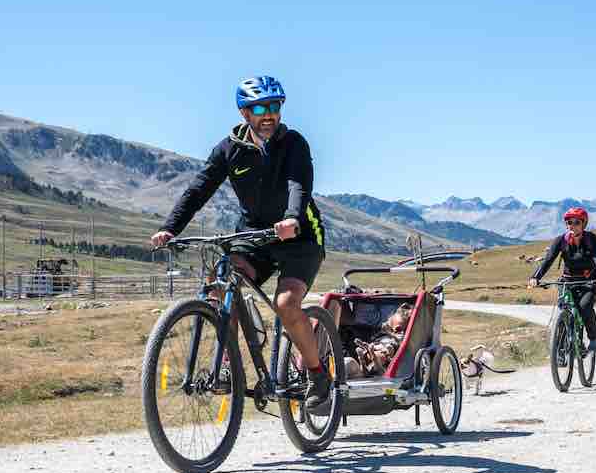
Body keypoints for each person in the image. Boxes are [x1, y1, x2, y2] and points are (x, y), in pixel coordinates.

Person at [150, 76, 331, 408]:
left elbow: (298, 183)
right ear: (244, 112)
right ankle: (228, 363)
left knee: (286, 304)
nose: (268, 115)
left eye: (274, 107)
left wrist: (292, 217)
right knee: (220, 282)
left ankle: (319, 375)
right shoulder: (229, 149)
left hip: (299, 235)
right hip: (253, 235)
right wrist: (170, 228)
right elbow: (198, 190)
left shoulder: (294, 143)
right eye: (260, 108)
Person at [527, 207, 596, 351]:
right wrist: (535, 277)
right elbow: (548, 260)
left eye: (576, 222)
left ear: (583, 224)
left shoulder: (592, 240)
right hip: (568, 281)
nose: (572, 225)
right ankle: (560, 349)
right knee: (563, 309)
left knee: (584, 306)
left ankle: (594, 338)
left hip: (590, 282)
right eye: (569, 222)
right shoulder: (561, 241)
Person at [345, 303, 413, 378]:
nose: (395, 330)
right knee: (349, 363)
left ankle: (371, 358)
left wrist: (389, 333)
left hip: (381, 358)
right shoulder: (381, 335)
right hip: (374, 359)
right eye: (393, 327)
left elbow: (401, 341)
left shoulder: (397, 339)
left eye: (398, 329)